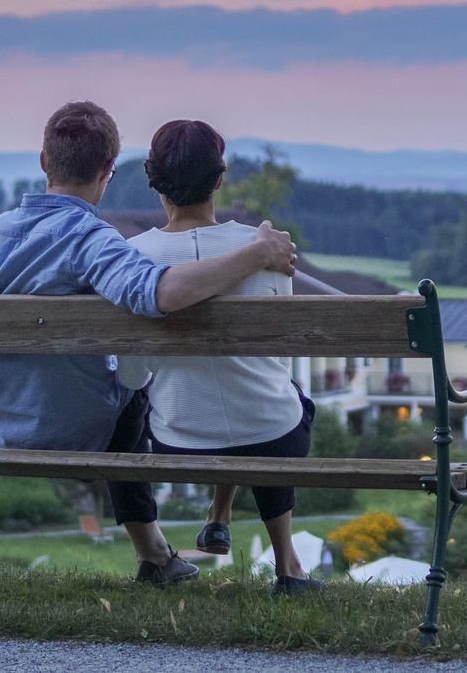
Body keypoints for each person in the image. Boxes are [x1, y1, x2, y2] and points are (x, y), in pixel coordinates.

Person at [0, 101, 296, 586]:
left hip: (5, 426)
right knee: (134, 390)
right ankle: (154, 555)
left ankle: (159, 553)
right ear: (106, 171)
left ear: (43, 161)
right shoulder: (91, 240)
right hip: (76, 431)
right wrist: (257, 253)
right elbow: (162, 294)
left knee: (131, 378)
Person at [117, 119, 324, 597]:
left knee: (212, 394)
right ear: (219, 178)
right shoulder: (268, 249)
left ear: (153, 180)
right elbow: (278, 357)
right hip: (273, 434)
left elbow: (131, 377)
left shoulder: (132, 258)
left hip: (181, 441)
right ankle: (288, 568)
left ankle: (217, 516)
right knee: (278, 402)